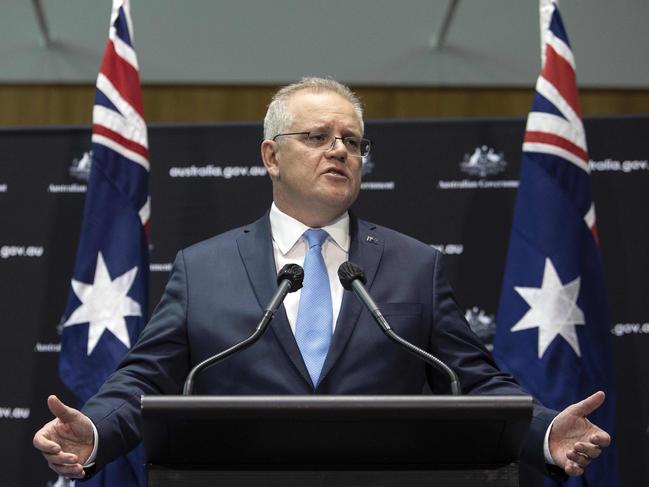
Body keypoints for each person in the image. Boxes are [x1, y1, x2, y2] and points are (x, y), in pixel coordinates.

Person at [34, 77, 610, 480]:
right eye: (316, 137)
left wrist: (546, 429)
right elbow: (142, 381)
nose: (339, 150)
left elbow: (479, 384)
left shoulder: (415, 266)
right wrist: (94, 430)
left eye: (352, 141)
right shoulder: (202, 268)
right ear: (271, 155)